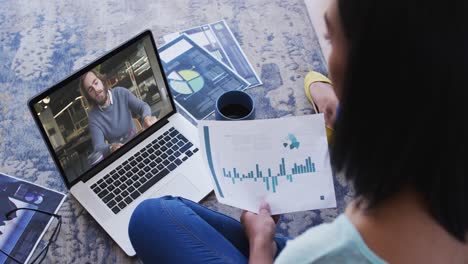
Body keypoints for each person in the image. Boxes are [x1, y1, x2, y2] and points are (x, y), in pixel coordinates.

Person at [128, 0, 468, 263]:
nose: (328, 56)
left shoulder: (318, 253)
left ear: (369, 75)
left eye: (330, 39)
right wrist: (333, 97)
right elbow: (313, 79)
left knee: (149, 218)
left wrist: (261, 246)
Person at [79, 70, 157, 157]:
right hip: (121, 155)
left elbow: (143, 107)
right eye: (90, 90)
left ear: (101, 81)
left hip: (139, 143)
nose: (96, 90)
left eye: (96, 83)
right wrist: (111, 147)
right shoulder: (93, 118)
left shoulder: (121, 93)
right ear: (88, 96)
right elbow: (98, 147)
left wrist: (146, 117)